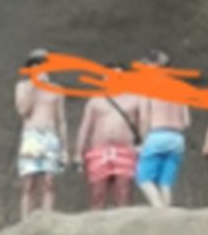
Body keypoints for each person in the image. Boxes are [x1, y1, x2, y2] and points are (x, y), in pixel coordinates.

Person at [74, 64, 143, 209]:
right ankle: (95, 227)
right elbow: (85, 128)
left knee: (123, 193)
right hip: (99, 150)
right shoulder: (95, 101)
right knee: (97, 193)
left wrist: (144, 146)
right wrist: (78, 154)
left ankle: (122, 228)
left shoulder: (135, 99)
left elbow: (143, 125)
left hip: (125, 150)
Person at [15, 49, 69, 219]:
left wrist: (65, 148)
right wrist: (34, 86)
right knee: (28, 183)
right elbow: (23, 110)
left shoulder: (57, 89)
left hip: (50, 136)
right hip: (32, 136)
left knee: (49, 182)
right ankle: (25, 221)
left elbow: (61, 120)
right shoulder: (22, 86)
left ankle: (47, 220)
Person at [135, 50, 191, 208]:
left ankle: (159, 210)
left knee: (144, 179)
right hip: (177, 138)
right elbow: (186, 121)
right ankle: (167, 216)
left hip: (157, 135)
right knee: (165, 183)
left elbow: (144, 118)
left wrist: (142, 142)